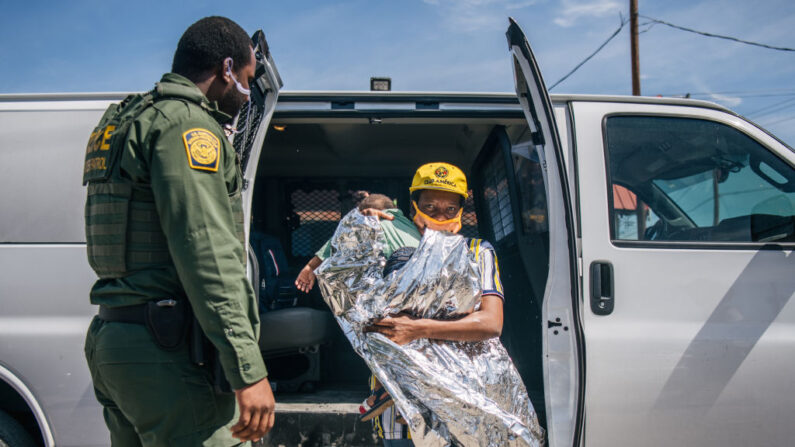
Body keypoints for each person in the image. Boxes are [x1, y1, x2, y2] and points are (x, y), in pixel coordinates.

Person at [82, 17, 274, 446]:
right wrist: (248, 370)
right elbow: (206, 252)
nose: (246, 95)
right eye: (246, 80)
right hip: (166, 355)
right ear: (226, 69)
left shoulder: (127, 119)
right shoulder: (187, 126)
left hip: (115, 340)